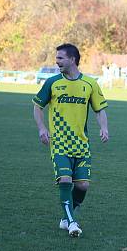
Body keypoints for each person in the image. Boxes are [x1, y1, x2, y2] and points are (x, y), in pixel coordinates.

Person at [33, 43, 109, 238]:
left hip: (81, 143)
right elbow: (37, 106)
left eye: (60, 58)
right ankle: (72, 223)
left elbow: (99, 109)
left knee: (83, 186)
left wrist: (104, 127)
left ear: (72, 59)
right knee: (65, 180)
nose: (57, 61)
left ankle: (67, 216)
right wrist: (42, 128)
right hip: (59, 143)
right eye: (56, 58)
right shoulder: (52, 83)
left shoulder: (90, 84)